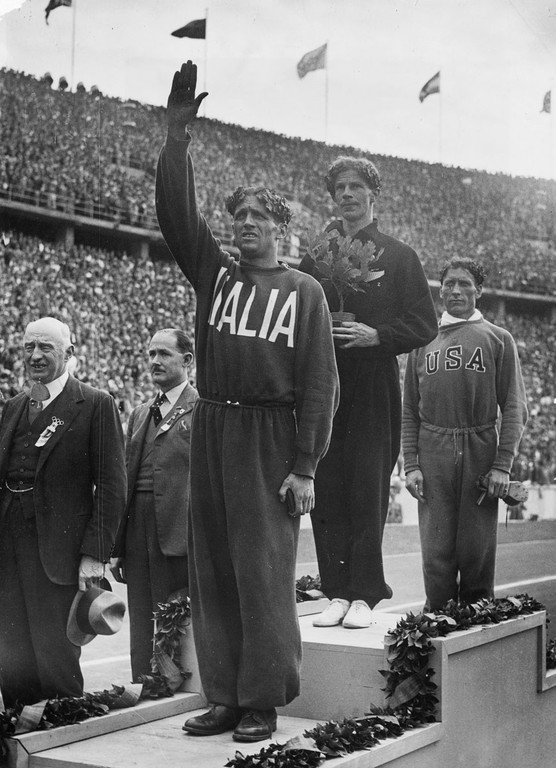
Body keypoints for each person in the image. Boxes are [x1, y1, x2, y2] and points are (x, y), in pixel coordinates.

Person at [155, 61, 339, 742]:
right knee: (214, 567)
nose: (247, 226)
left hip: (269, 436)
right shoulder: (216, 276)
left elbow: (321, 381)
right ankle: (226, 693)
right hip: (214, 423)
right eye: (240, 217)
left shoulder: (305, 292)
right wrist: (177, 141)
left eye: (260, 217)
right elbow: (176, 217)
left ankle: (264, 697)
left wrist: (307, 465)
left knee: (262, 571)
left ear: (282, 228)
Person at [298, 156, 437, 629]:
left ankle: (364, 593)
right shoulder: (316, 256)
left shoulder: (399, 256)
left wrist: (377, 335)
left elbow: (425, 323)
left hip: (375, 384)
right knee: (328, 484)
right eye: (340, 187)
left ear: (373, 194)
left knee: (367, 486)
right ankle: (336, 591)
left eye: (356, 186)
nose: (347, 194)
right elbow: (296, 311)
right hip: (325, 383)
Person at [0, 317, 126, 706]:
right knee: (11, 651)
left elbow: (111, 486)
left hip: (60, 551)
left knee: (56, 653)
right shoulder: (13, 407)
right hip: (8, 548)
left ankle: (63, 728)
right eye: (28, 348)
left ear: (69, 354)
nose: (35, 356)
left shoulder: (95, 403)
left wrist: (95, 554)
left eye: (46, 348)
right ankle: (20, 738)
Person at [402, 258, 528, 610]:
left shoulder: (498, 339)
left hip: (480, 447)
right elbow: (409, 410)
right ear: (439, 290)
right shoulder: (421, 341)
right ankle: (438, 626)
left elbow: (515, 408)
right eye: (448, 284)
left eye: (464, 284)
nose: (455, 290)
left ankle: (475, 632)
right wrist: (410, 464)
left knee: (476, 551)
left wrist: (502, 466)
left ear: (479, 291)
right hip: (432, 448)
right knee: (436, 550)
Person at [110, 328, 198, 681]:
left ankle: (171, 684)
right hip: (138, 527)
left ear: (187, 360)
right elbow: (126, 481)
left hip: (178, 526)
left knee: (171, 613)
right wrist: (118, 545)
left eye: (163, 354)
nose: (154, 362)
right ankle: (141, 682)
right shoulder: (140, 412)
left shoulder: (202, 408)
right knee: (141, 614)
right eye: (150, 355)